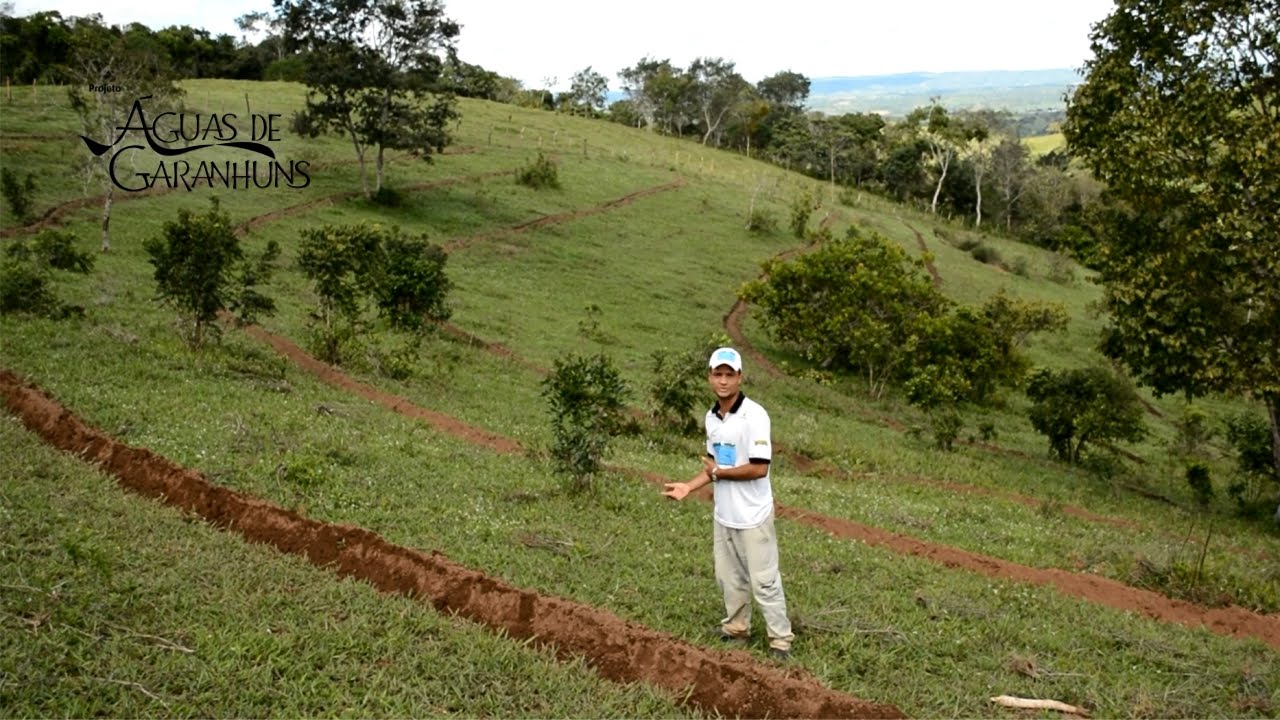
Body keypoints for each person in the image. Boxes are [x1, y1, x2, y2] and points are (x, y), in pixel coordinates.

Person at [662, 346, 794, 659]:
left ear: (740, 378)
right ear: (709, 377)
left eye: (729, 375)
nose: (723, 381)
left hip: (753, 515)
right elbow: (712, 464)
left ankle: (780, 641)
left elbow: (759, 467)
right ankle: (736, 629)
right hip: (725, 515)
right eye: (717, 374)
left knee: (764, 582)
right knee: (728, 577)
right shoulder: (712, 417)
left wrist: (719, 473)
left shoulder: (755, 416)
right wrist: (689, 487)